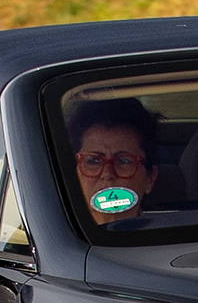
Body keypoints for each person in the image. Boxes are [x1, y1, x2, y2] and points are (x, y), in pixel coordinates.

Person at [65, 97, 160, 226]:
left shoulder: (166, 238)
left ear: (150, 179)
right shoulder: (54, 234)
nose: (107, 174)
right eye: (93, 160)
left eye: (124, 161)